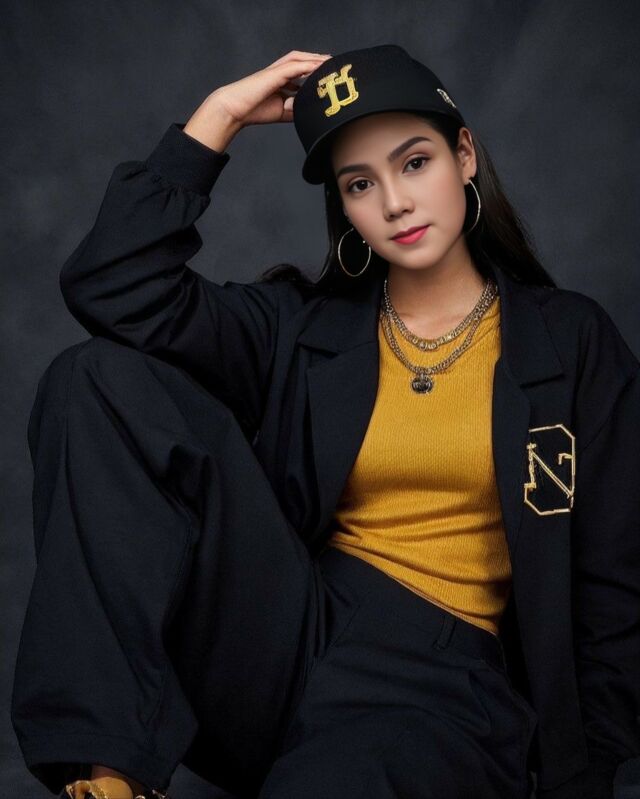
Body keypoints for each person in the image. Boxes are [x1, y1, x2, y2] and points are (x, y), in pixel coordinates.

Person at [11, 44, 640, 799]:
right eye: (360, 183)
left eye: (415, 163)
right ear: (345, 206)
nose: (395, 203)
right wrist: (219, 117)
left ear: (465, 155)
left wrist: (585, 775)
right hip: (290, 635)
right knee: (94, 377)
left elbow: (615, 578)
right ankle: (110, 775)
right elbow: (112, 284)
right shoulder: (301, 326)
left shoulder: (569, 341)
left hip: (441, 682)